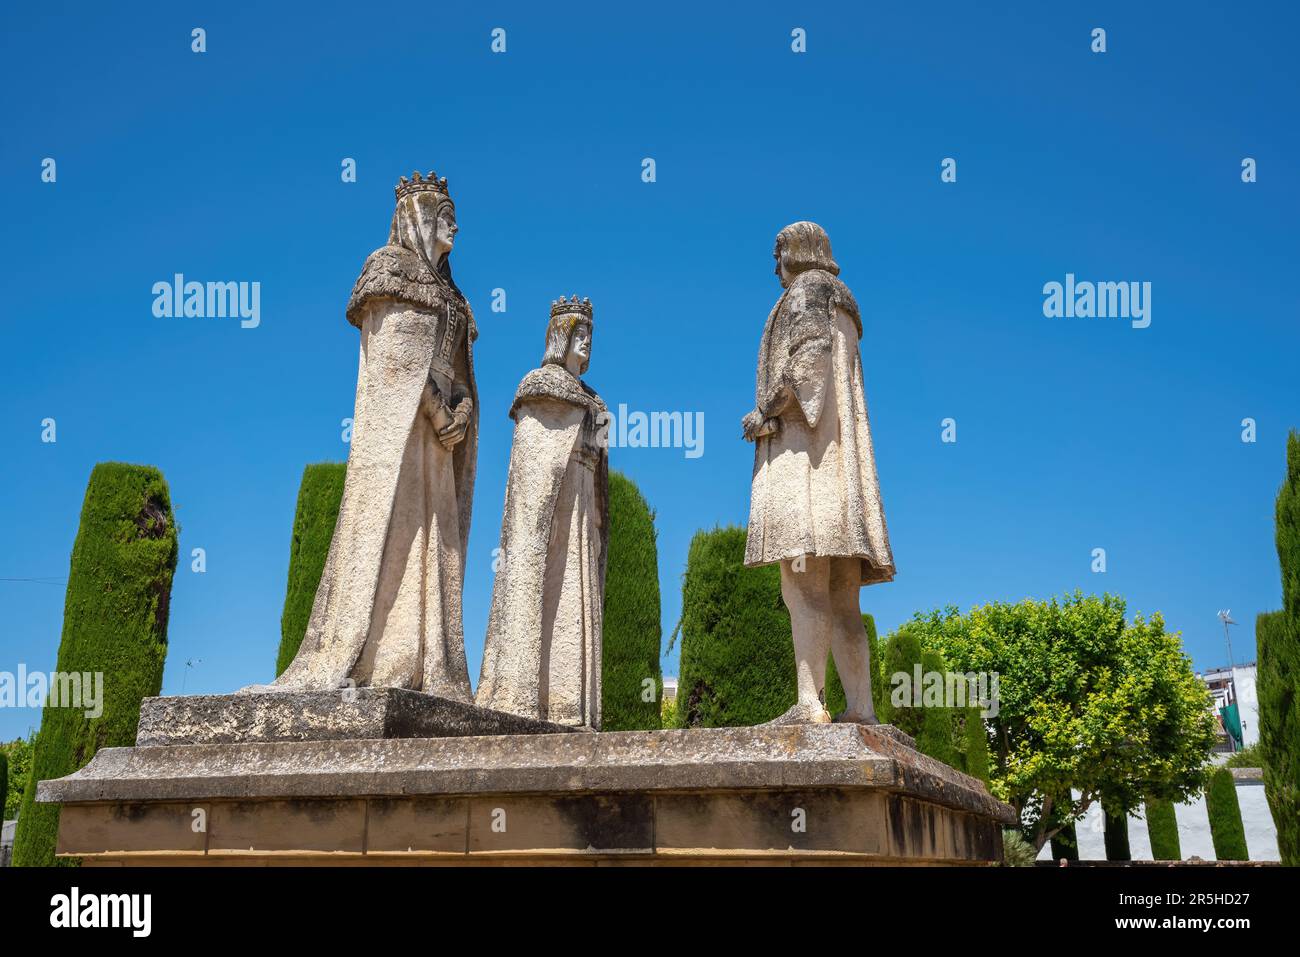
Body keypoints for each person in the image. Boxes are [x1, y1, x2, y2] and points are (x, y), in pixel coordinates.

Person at [742, 221, 895, 724]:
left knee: (803, 588)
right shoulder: (843, 303)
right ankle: (861, 709)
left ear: (801, 250)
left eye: (779, 251)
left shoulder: (807, 291)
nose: (774, 264)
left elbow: (808, 366)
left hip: (808, 464)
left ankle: (810, 704)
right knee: (843, 599)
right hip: (840, 479)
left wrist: (765, 410)